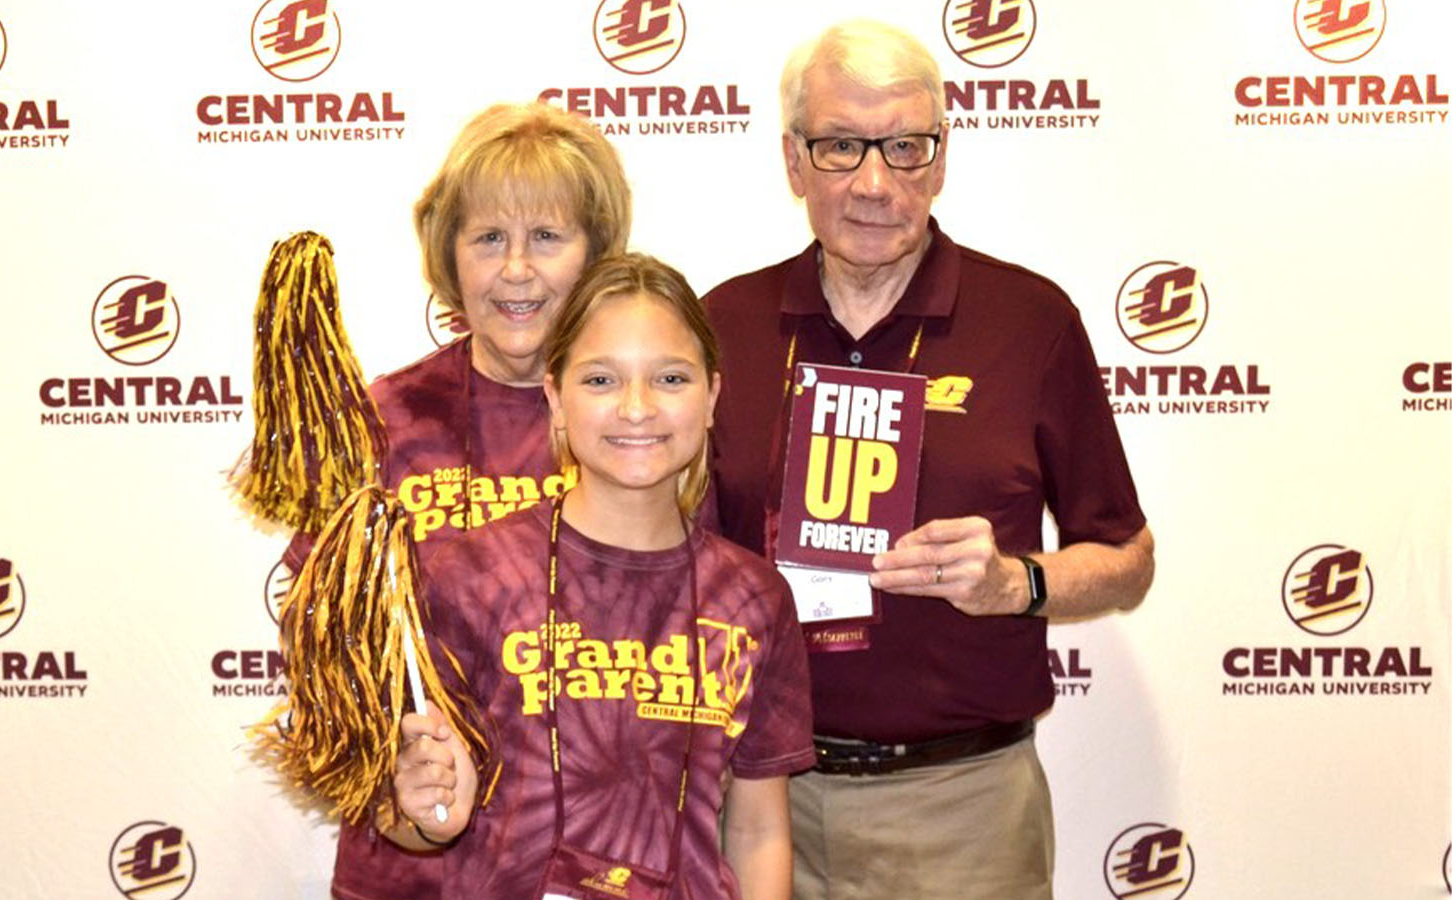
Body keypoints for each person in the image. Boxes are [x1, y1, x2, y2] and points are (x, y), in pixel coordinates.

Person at [701, 20, 1156, 900]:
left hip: (966, 806)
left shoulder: (1031, 320)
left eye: (905, 147)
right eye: (841, 147)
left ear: (941, 160)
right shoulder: (724, 324)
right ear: (794, 162)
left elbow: (1129, 562)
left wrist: (1014, 586)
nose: (876, 182)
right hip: (759, 804)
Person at [283, 100, 632, 900]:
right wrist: (392, 769)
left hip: (597, 867)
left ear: (597, 252)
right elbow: (321, 654)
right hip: (415, 867)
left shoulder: (642, 425)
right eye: (488, 239)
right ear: (449, 256)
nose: (517, 270)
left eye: (547, 237)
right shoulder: (379, 425)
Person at [390, 254, 815, 899]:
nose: (637, 408)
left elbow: (758, 831)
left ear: (712, 399)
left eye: (671, 378)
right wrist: (425, 813)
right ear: (555, 398)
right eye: (600, 381)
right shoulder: (465, 576)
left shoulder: (753, 597)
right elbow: (408, 823)